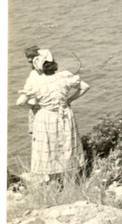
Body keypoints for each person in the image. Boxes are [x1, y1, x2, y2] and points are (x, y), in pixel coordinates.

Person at [20, 50, 89, 183]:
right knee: (66, 143)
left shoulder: (36, 82)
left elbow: (20, 102)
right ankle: (70, 177)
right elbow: (85, 87)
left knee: (48, 146)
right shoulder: (64, 76)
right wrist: (69, 100)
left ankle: (51, 179)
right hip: (64, 113)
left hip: (45, 116)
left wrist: (33, 107)